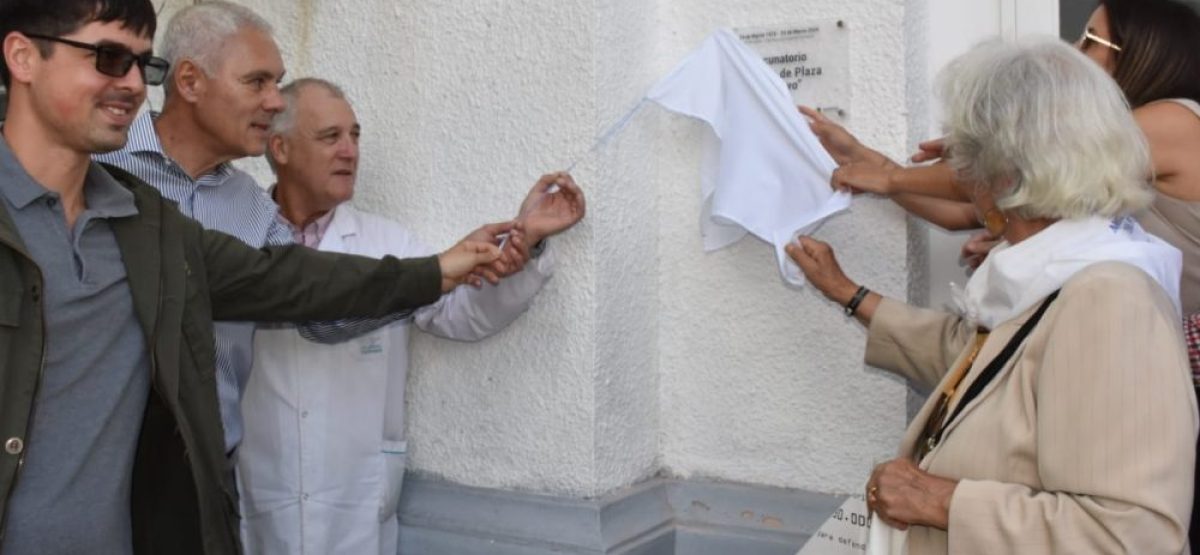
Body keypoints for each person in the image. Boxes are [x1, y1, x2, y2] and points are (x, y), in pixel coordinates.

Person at [0, 0, 499, 552]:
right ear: (23, 57)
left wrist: (439, 272)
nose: (135, 85)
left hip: (166, 517)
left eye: (145, 65)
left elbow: (291, 283)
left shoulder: (145, 223)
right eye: (110, 57)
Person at [787, 39, 1196, 553]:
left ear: (1000, 173)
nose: (958, 172)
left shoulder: (1109, 301)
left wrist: (938, 502)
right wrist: (846, 292)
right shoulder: (1054, 273)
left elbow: (1131, 535)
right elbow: (981, 360)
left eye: (962, 153)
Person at [93, 1, 514, 456]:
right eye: (257, 82)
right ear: (190, 81)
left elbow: (317, 307)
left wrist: (438, 273)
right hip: (98, 468)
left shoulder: (253, 209)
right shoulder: (96, 169)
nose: (275, 101)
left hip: (204, 478)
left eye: (276, 82)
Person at [236, 78, 586, 554]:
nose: (349, 151)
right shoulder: (236, 237)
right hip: (258, 491)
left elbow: (461, 316)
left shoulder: (387, 244)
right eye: (330, 137)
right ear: (279, 147)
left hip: (357, 501)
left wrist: (526, 242)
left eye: (355, 136)